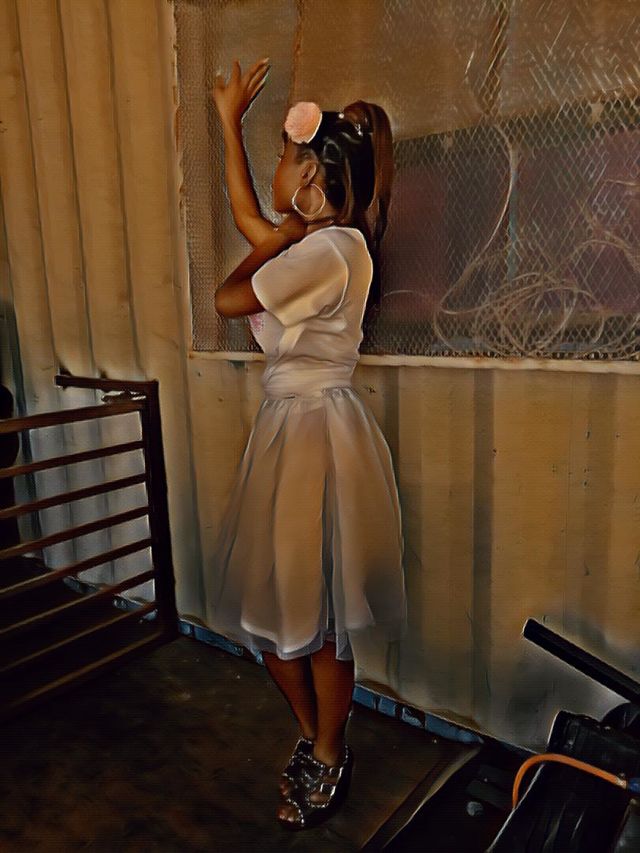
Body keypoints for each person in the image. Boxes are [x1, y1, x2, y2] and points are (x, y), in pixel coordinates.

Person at [210, 57, 408, 830]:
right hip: (288, 429)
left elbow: (228, 297)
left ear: (314, 184)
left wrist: (273, 239)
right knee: (280, 612)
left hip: (315, 436)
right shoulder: (314, 243)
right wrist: (227, 123)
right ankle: (318, 735)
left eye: (285, 159)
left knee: (317, 618)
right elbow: (248, 217)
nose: (277, 169)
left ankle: (327, 747)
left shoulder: (330, 252)